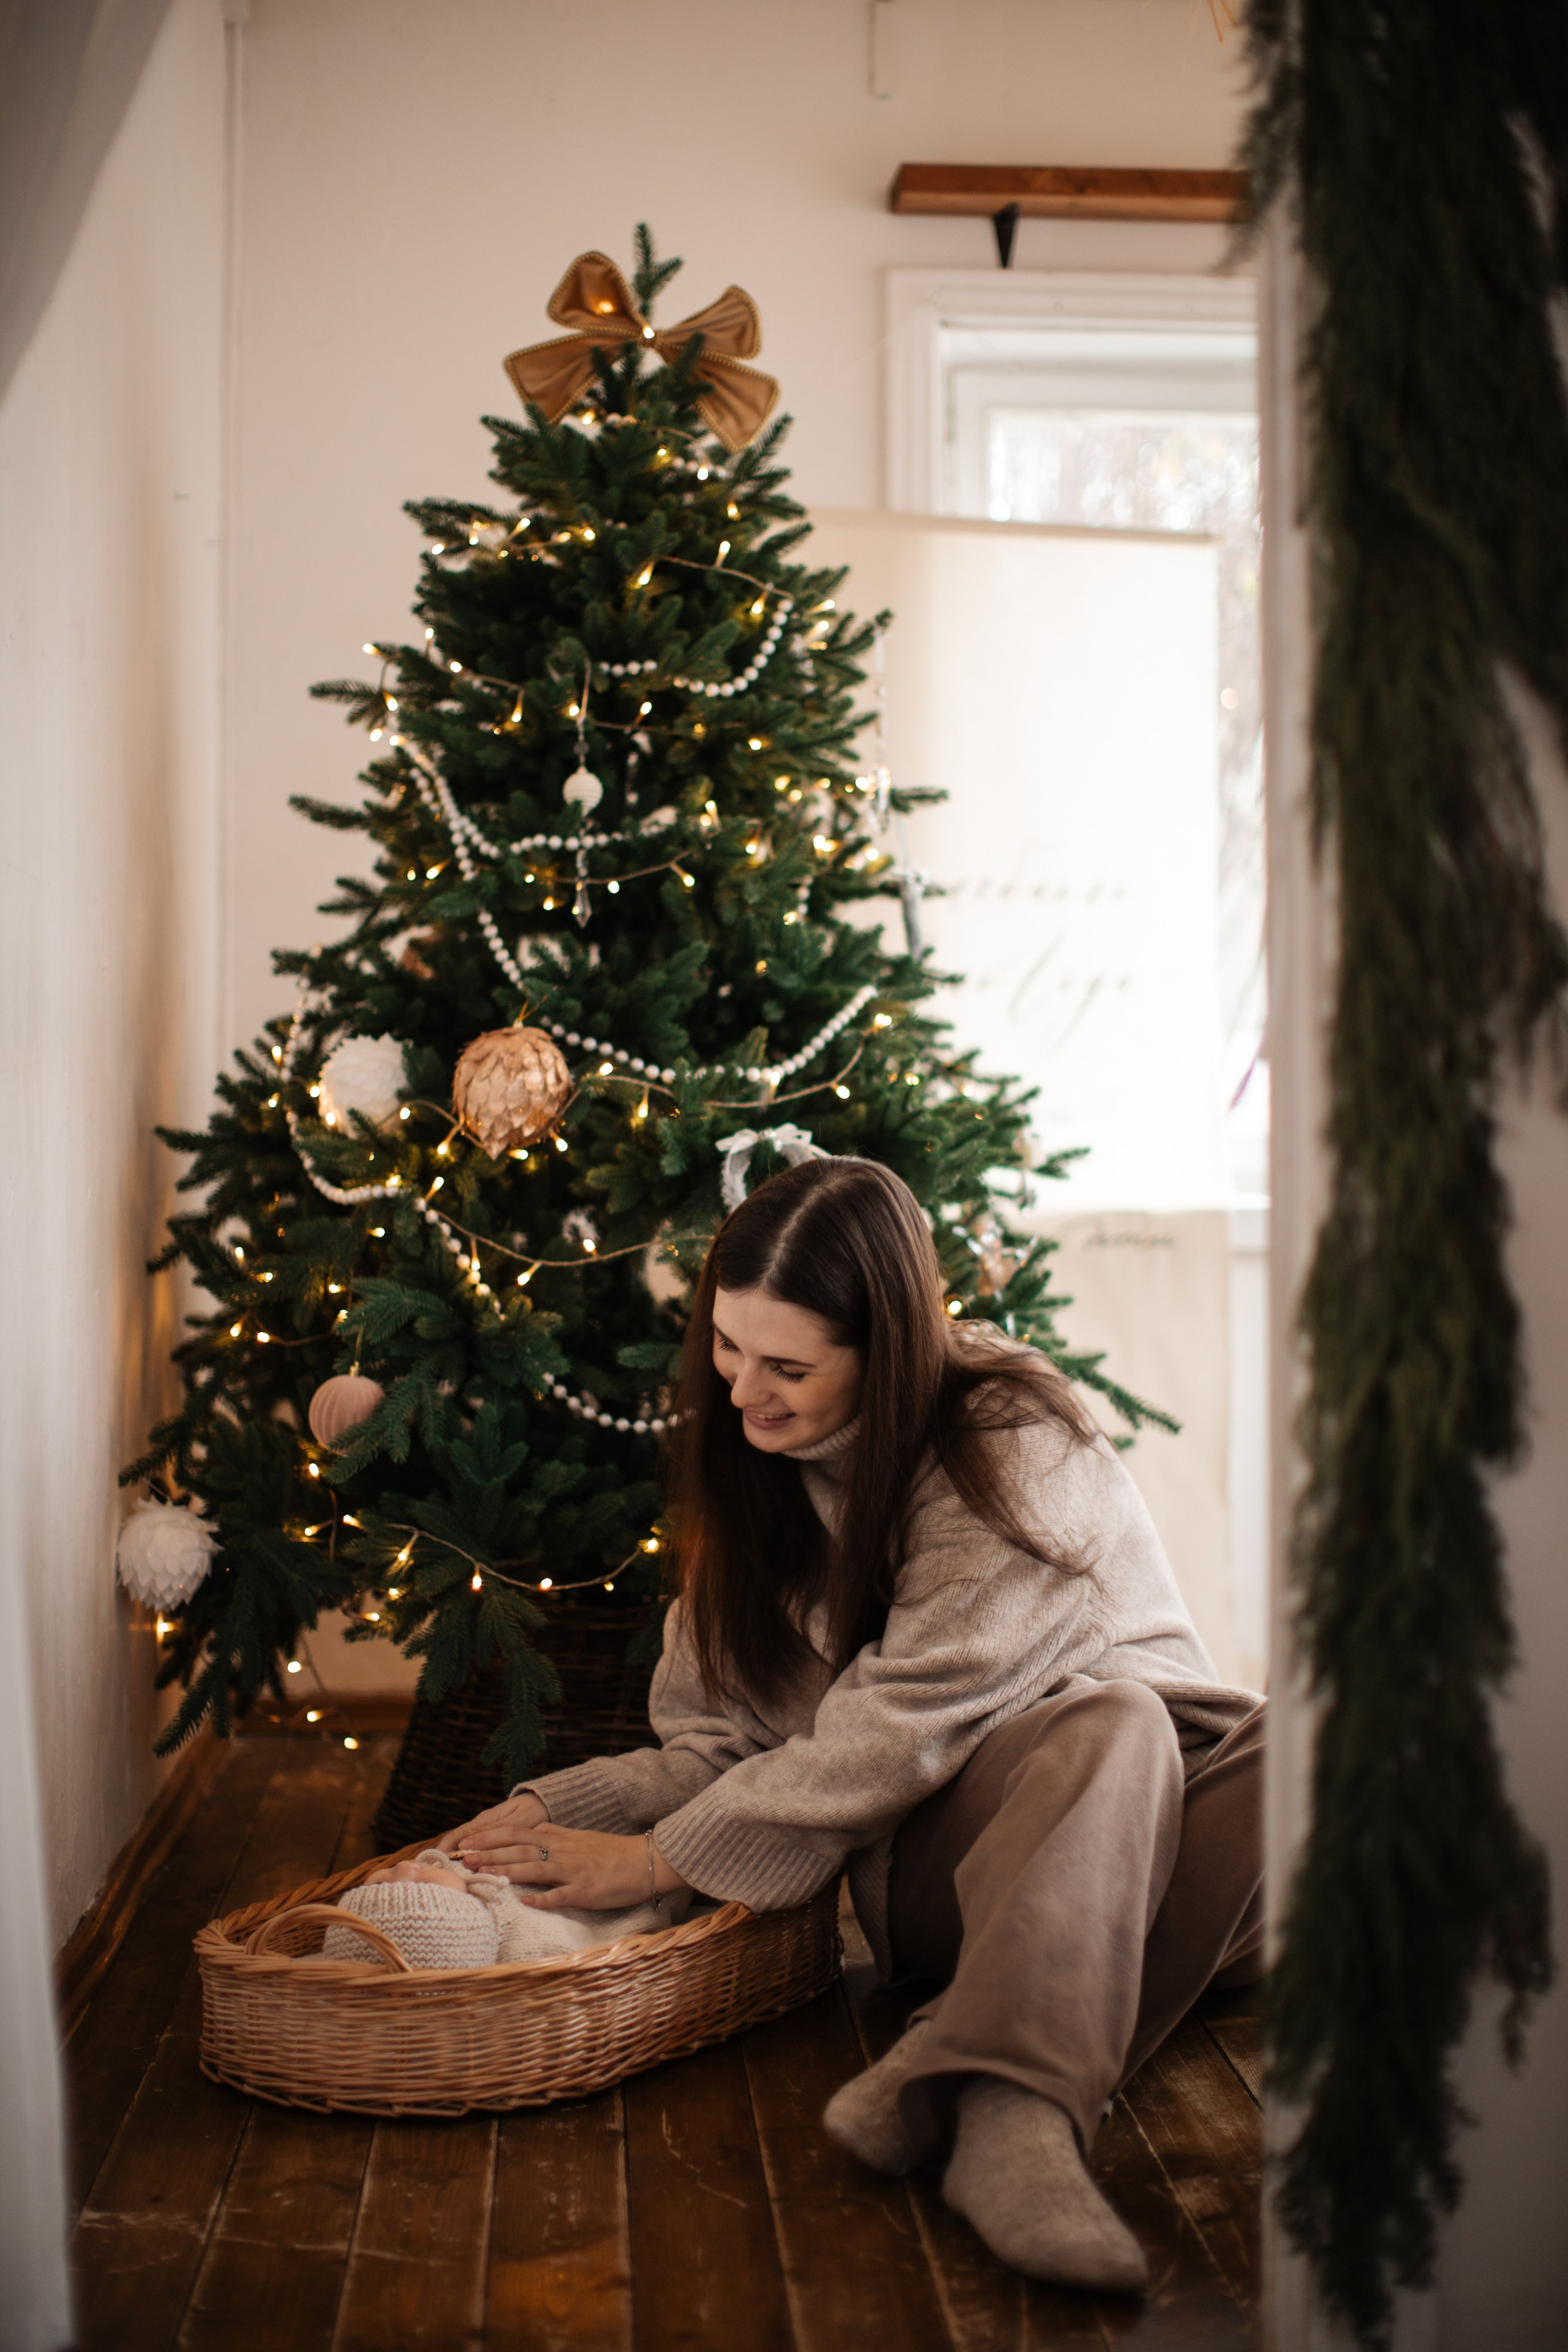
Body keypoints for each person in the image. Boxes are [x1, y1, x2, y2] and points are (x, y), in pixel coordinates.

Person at [438, 1156, 1264, 2294]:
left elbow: (904, 1717)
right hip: (960, 1872)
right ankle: (1016, 2111)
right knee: (1113, 1727)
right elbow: (720, 1742)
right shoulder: (755, 1483)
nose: (741, 1391)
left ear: (891, 1352)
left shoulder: (1010, 1435)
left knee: (1282, 1730)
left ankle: (962, 2062)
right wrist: (560, 1809)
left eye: (788, 1366)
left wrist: (660, 1859)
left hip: (1178, 1851)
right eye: (727, 1346)